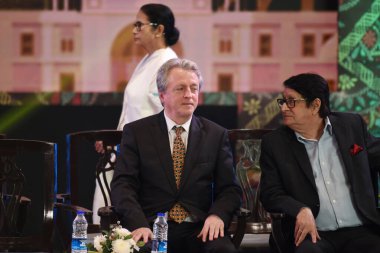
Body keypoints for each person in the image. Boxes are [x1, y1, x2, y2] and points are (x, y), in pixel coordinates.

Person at [111, 58, 241, 253]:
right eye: (180, 88)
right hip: (151, 227)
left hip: (200, 227)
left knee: (223, 250)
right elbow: (123, 185)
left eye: (194, 88)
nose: (189, 95)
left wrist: (217, 216)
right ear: (162, 95)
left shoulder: (216, 134)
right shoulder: (137, 133)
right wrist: (138, 223)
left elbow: (230, 189)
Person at [259, 73, 380, 253]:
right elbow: (270, 193)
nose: (284, 107)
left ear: (315, 105)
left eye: (291, 101)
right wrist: (300, 209)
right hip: (313, 235)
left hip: (361, 230)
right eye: (283, 101)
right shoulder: (275, 143)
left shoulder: (351, 125)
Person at [92, 3, 179, 224]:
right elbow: (135, 108)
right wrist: (115, 137)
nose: (134, 30)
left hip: (149, 155)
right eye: (134, 25)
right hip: (128, 148)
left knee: (132, 219)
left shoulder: (169, 63)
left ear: (159, 30)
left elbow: (167, 112)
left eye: (139, 25)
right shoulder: (147, 60)